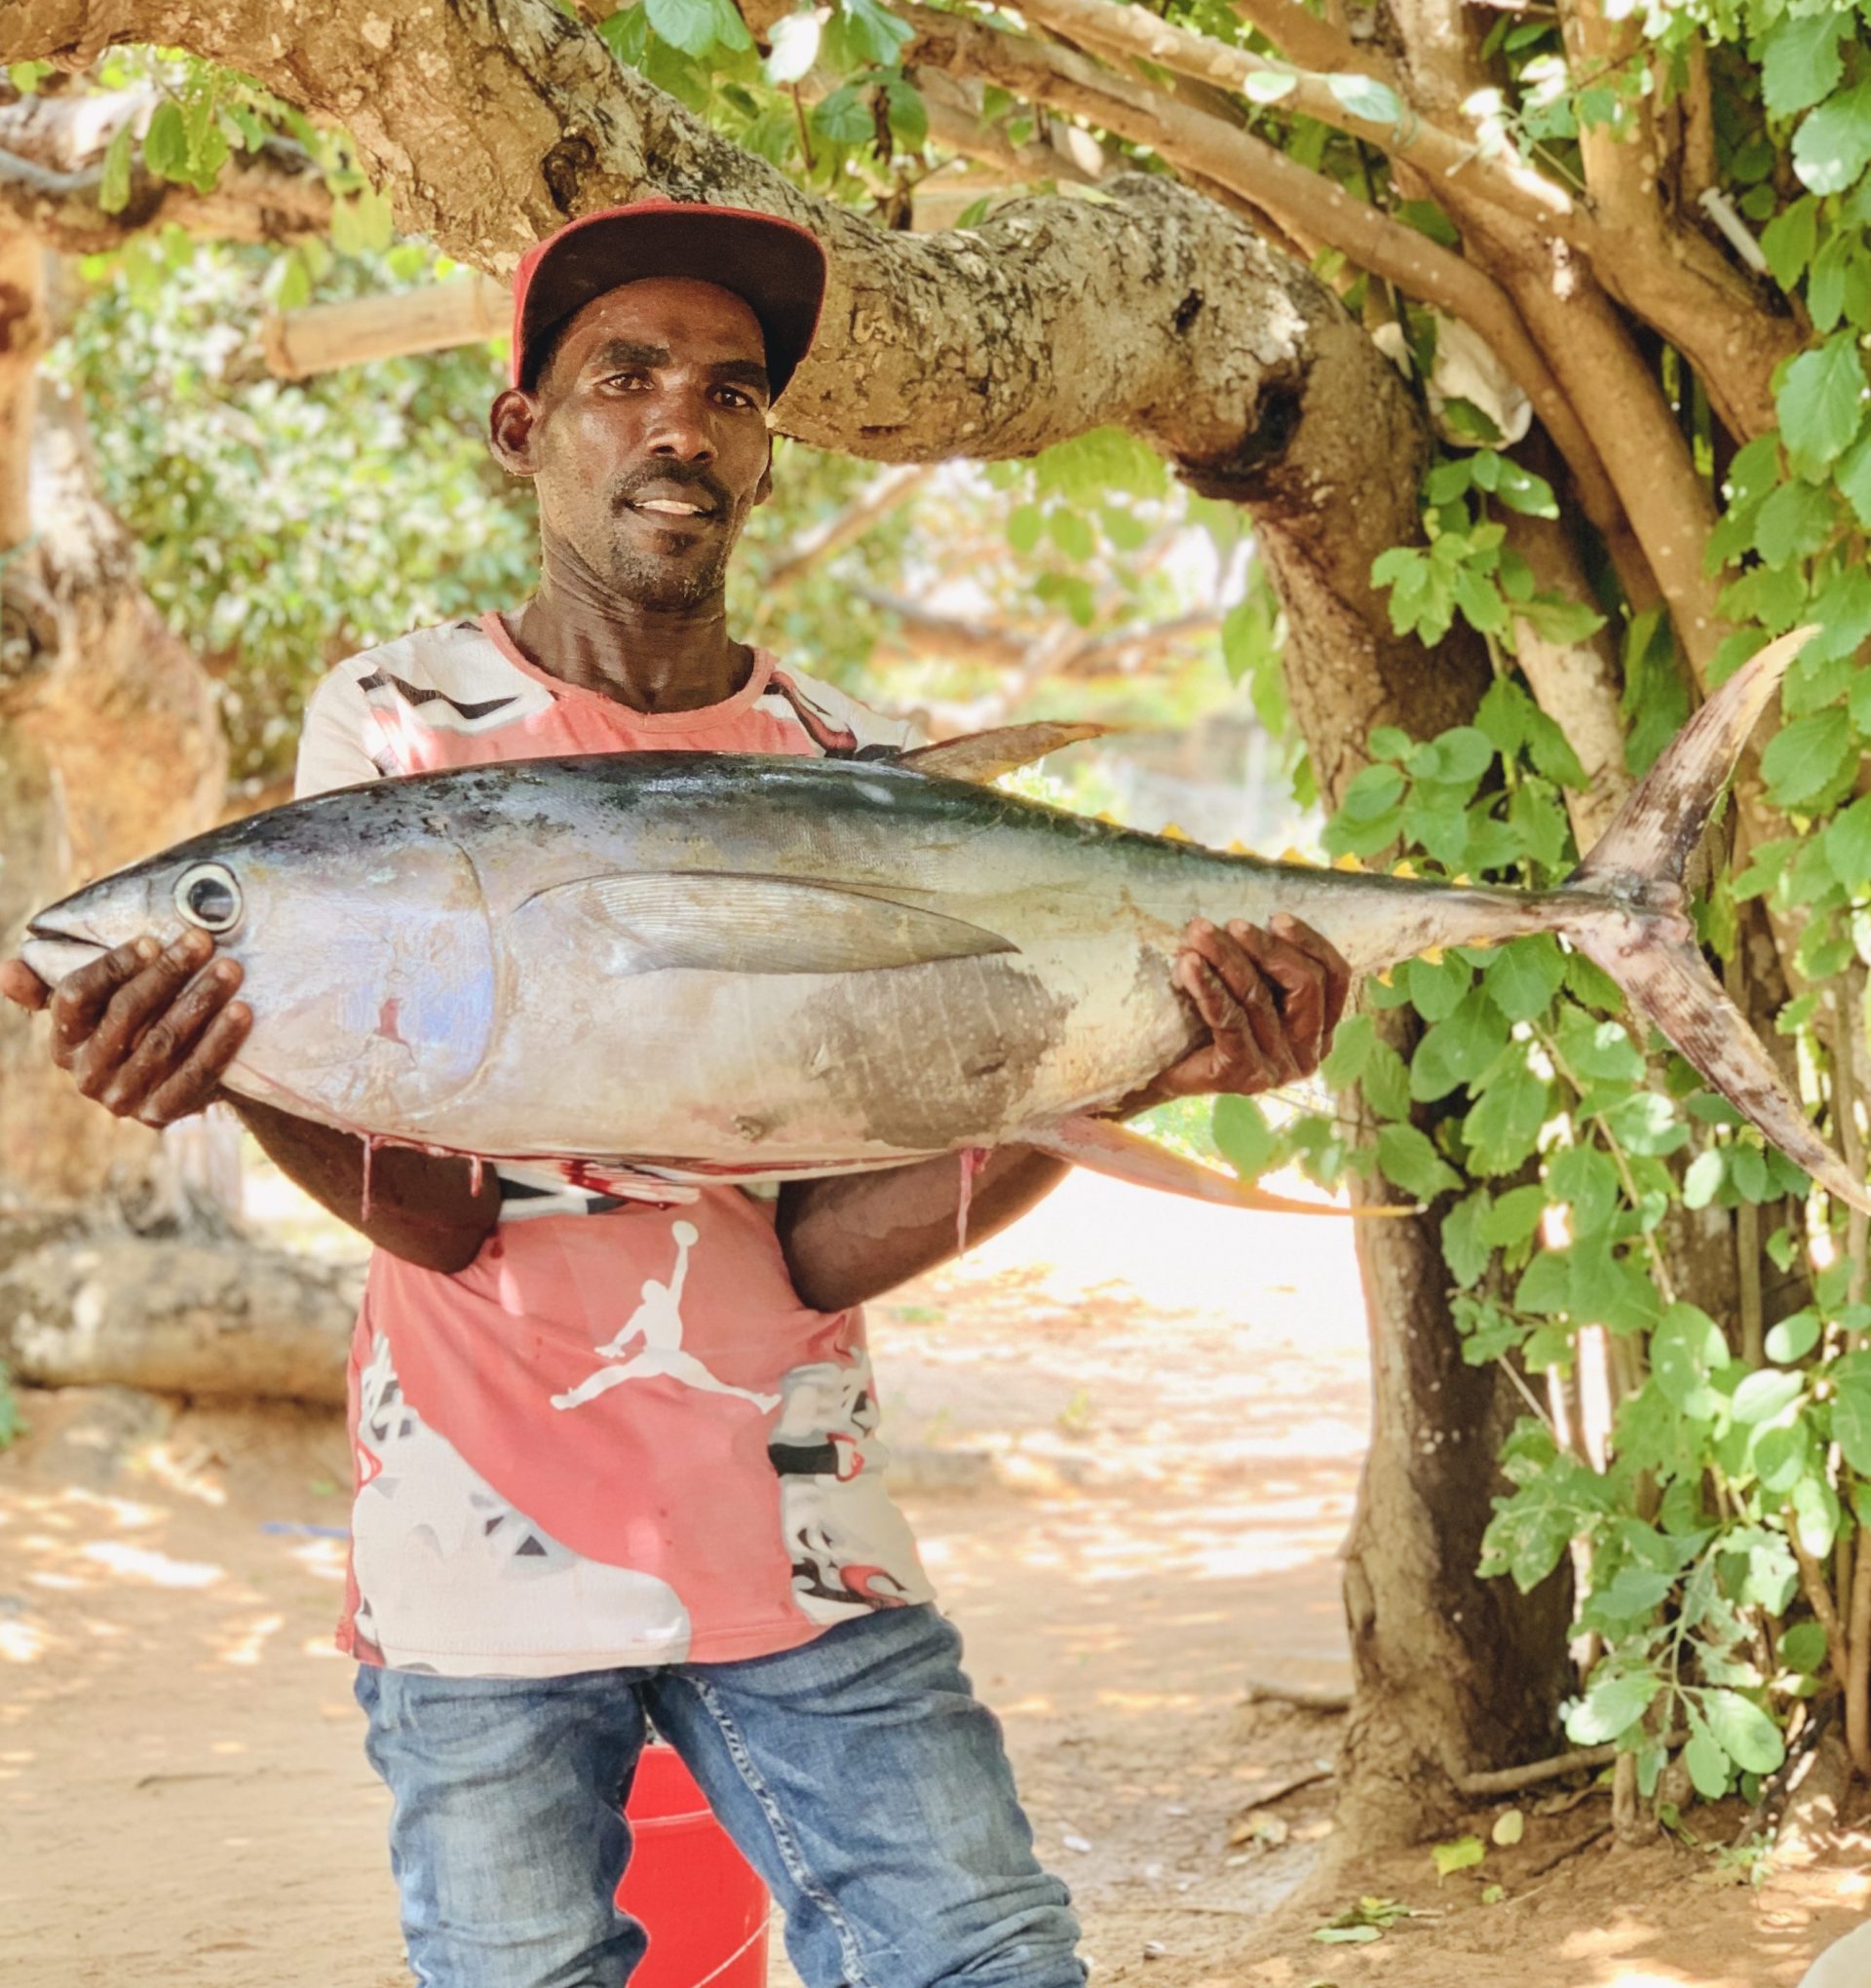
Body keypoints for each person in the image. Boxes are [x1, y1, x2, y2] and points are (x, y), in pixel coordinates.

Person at [1, 199, 1351, 1988]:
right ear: (522, 431)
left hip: (797, 1531)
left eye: (728, 393)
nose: (679, 425)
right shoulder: (402, 725)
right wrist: (243, 1063)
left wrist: (1159, 1069)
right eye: (624, 376)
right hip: (479, 1545)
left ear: (764, 456)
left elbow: (823, 1254)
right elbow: (443, 1213)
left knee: (989, 1960)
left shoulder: (854, 763)